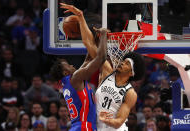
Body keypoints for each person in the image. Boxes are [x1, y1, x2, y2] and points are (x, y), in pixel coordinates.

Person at [60, 3, 145, 131]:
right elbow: (89, 45)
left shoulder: (130, 93)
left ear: (132, 73)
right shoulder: (108, 74)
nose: (122, 62)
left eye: (127, 63)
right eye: (124, 60)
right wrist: (81, 17)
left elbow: (119, 121)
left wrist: (107, 120)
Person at [49, 18, 108, 130]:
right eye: (68, 65)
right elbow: (101, 58)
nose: (72, 65)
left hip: (79, 126)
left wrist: (97, 39)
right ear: (65, 72)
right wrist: (104, 35)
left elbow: (88, 59)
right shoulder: (75, 78)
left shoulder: (70, 81)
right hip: (84, 127)